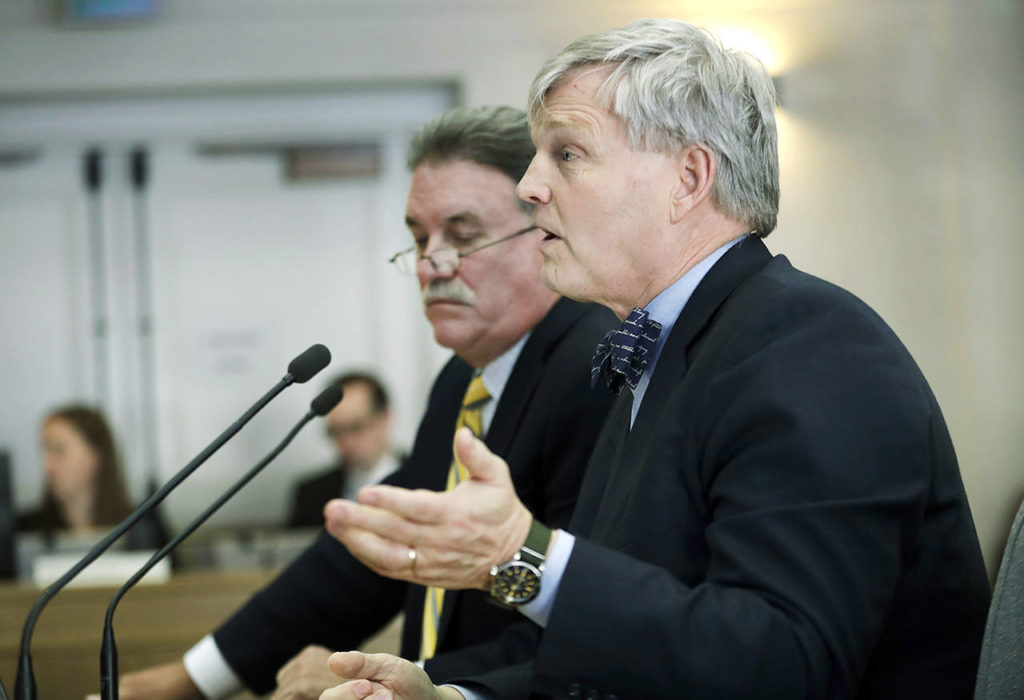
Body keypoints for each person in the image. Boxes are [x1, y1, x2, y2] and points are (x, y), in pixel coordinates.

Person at [320, 19, 992, 700]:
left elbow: (784, 664)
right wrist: (447, 697)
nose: (529, 184)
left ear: (688, 179)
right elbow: (638, 653)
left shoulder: (812, 347)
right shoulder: (658, 356)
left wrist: (520, 558)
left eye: (568, 154)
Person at [105, 105, 615, 700]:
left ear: (543, 232)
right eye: (419, 238)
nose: (430, 263)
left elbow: (587, 623)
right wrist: (189, 681)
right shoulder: (463, 381)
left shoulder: (594, 372)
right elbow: (369, 558)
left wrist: (408, 685)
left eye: (463, 234)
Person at [17, 404, 166, 551]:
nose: (47, 466)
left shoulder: (141, 524)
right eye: (45, 452)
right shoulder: (23, 531)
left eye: (59, 450)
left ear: (96, 455)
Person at [287, 371, 400, 527]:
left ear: (385, 418)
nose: (345, 442)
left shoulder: (427, 481)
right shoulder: (311, 495)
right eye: (335, 431)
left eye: (355, 427)